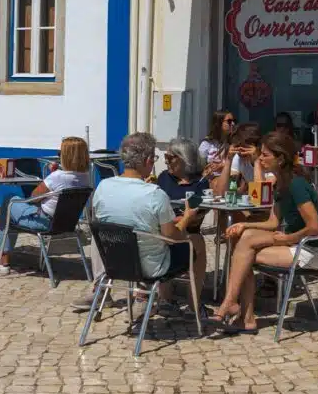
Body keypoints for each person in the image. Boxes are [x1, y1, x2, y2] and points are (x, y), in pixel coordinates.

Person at [210, 131, 318, 333]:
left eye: (265, 155)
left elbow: (315, 227)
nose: (260, 158)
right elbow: (273, 222)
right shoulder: (282, 183)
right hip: (294, 244)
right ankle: (239, 312)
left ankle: (236, 308)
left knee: (243, 254)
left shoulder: (296, 184)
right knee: (243, 239)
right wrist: (246, 225)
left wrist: (288, 238)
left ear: (280, 158)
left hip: (310, 251)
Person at [90, 132, 207, 312]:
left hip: (114, 263)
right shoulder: (154, 194)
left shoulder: (103, 187)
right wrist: (186, 219)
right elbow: (171, 237)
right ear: (148, 161)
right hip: (150, 268)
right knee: (196, 241)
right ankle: (193, 307)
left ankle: (162, 299)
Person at [0, 137, 92, 276]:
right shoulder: (86, 177)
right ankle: (2, 244)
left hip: (44, 222)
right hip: (66, 223)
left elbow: (33, 197)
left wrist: (51, 175)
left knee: (9, 202)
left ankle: (2, 255)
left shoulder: (57, 176)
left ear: (66, 155)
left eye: (59, 153)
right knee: (9, 217)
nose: (58, 155)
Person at [157, 137, 210, 228]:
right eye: (166, 157)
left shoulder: (200, 183)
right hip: (162, 231)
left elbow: (195, 219)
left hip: (186, 233)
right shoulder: (164, 177)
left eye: (169, 158)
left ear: (185, 159)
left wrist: (166, 221)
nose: (166, 161)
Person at [213, 121, 265, 196]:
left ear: (254, 145)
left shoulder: (267, 159)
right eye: (237, 146)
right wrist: (228, 160)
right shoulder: (238, 158)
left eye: (243, 147)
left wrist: (257, 162)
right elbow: (220, 194)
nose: (239, 152)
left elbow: (263, 197)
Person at [199, 110, 236, 177]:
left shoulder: (235, 142)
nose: (233, 124)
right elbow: (199, 166)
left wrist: (222, 165)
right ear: (218, 123)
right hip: (211, 182)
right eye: (229, 121)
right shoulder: (207, 143)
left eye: (234, 121)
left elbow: (239, 165)